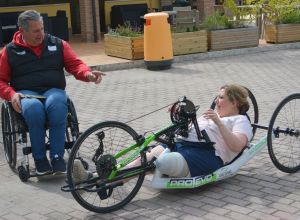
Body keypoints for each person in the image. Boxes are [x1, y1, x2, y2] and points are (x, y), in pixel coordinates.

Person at [73, 84, 253, 182]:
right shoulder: (210, 115)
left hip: (207, 154)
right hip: (182, 144)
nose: (216, 100)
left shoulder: (241, 121)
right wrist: (178, 114)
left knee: (162, 162)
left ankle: (103, 179)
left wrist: (218, 122)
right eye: (216, 97)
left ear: (235, 102)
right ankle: (94, 178)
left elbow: (237, 145)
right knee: (143, 159)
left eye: (221, 97)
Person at [0, 10, 106, 175]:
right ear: (22, 31)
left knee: (58, 105)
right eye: (35, 30)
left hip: (53, 90)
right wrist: (12, 94)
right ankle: (40, 158)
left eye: (42, 28)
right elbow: (1, 80)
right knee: (34, 109)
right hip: (26, 93)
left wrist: (88, 74)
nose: (40, 33)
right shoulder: (9, 51)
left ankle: (57, 156)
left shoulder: (58, 44)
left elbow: (75, 64)